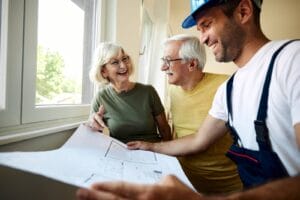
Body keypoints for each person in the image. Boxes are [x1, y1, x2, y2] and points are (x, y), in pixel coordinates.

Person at [76, 0, 300, 199]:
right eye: (199, 29)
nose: (202, 38)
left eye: (207, 25)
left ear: (243, 11)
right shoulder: (229, 89)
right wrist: (149, 146)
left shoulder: (292, 60)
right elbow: (197, 141)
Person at [161, 34, 242, 194]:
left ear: (192, 64)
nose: (163, 67)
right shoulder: (172, 89)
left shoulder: (227, 86)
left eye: (168, 61)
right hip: (183, 181)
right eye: (163, 61)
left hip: (225, 188)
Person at [88, 42, 172, 143]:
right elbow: (93, 135)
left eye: (125, 59)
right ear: (103, 71)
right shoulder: (101, 97)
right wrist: (94, 126)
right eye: (115, 62)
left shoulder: (148, 92)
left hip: (152, 151)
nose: (123, 66)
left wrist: (169, 156)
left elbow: (164, 129)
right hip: (121, 155)